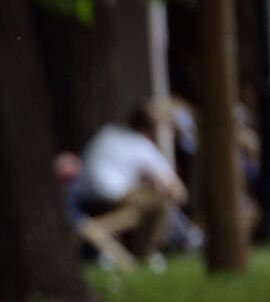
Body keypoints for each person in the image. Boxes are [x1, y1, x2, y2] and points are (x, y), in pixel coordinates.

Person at [74, 104, 188, 261]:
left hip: (81, 199)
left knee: (143, 199)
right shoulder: (142, 145)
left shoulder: (108, 132)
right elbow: (177, 191)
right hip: (111, 199)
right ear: (151, 130)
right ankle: (143, 255)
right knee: (159, 204)